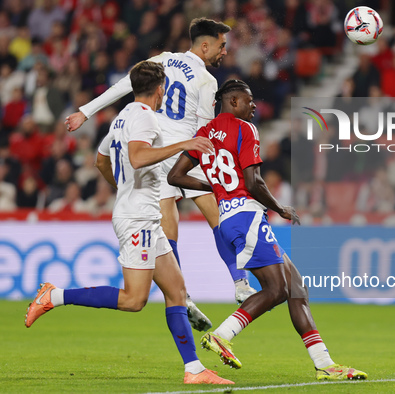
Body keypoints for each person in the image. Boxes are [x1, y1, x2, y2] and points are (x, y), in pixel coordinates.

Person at [25, 61, 233, 385]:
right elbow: (137, 157)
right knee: (134, 300)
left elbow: (100, 159)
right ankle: (53, 296)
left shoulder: (123, 117)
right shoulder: (146, 117)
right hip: (137, 219)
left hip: (143, 215)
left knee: (177, 291)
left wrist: (122, 188)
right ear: (160, 88)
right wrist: (183, 144)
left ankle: (194, 370)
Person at [64, 18, 257, 331]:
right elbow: (205, 130)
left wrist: (85, 111)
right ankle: (240, 283)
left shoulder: (161, 61)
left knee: (168, 224)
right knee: (218, 217)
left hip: (156, 148)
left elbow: (122, 86)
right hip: (184, 152)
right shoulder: (207, 82)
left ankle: (182, 295)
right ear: (205, 45)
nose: (224, 52)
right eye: (221, 45)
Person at [168, 80, 367, 381]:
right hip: (247, 216)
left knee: (296, 287)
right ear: (232, 101)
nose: (254, 106)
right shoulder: (245, 129)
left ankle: (324, 364)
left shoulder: (204, 133)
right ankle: (222, 335)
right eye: (248, 101)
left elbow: (175, 175)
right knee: (277, 290)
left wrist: (213, 186)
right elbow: (253, 182)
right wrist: (280, 208)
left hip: (228, 219)